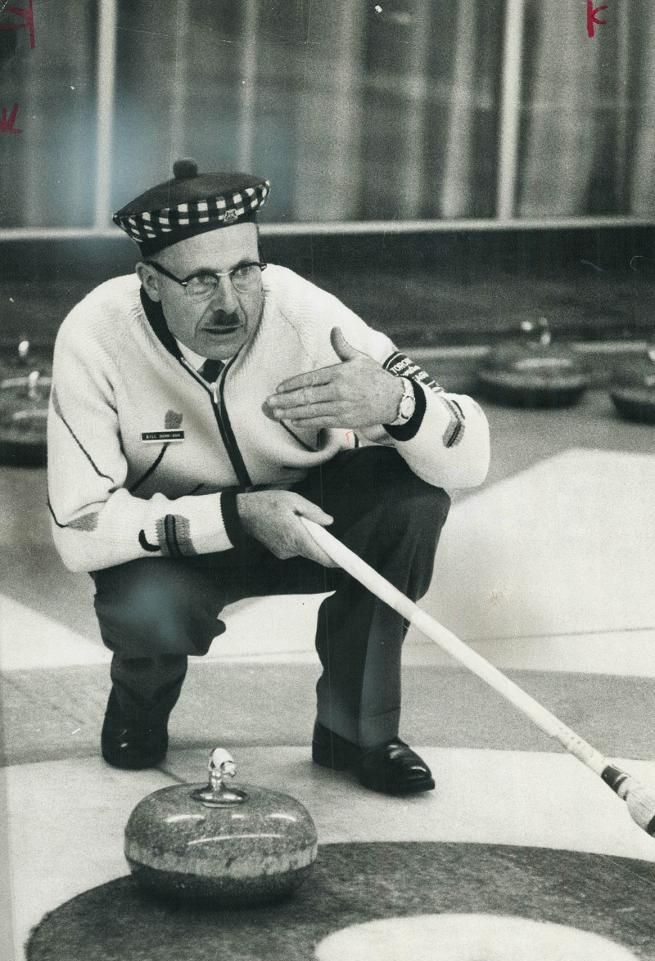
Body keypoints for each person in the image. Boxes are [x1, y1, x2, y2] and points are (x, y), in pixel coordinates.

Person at [47, 159, 490, 795]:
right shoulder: (96, 335)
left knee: (411, 502)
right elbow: (79, 527)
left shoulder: (306, 313)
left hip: (312, 523)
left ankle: (356, 730)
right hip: (183, 548)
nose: (230, 303)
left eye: (244, 272)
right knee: (144, 604)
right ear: (149, 280)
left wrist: (397, 403)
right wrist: (236, 516)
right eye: (200, 280)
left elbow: (469, 457)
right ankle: (138, 710)